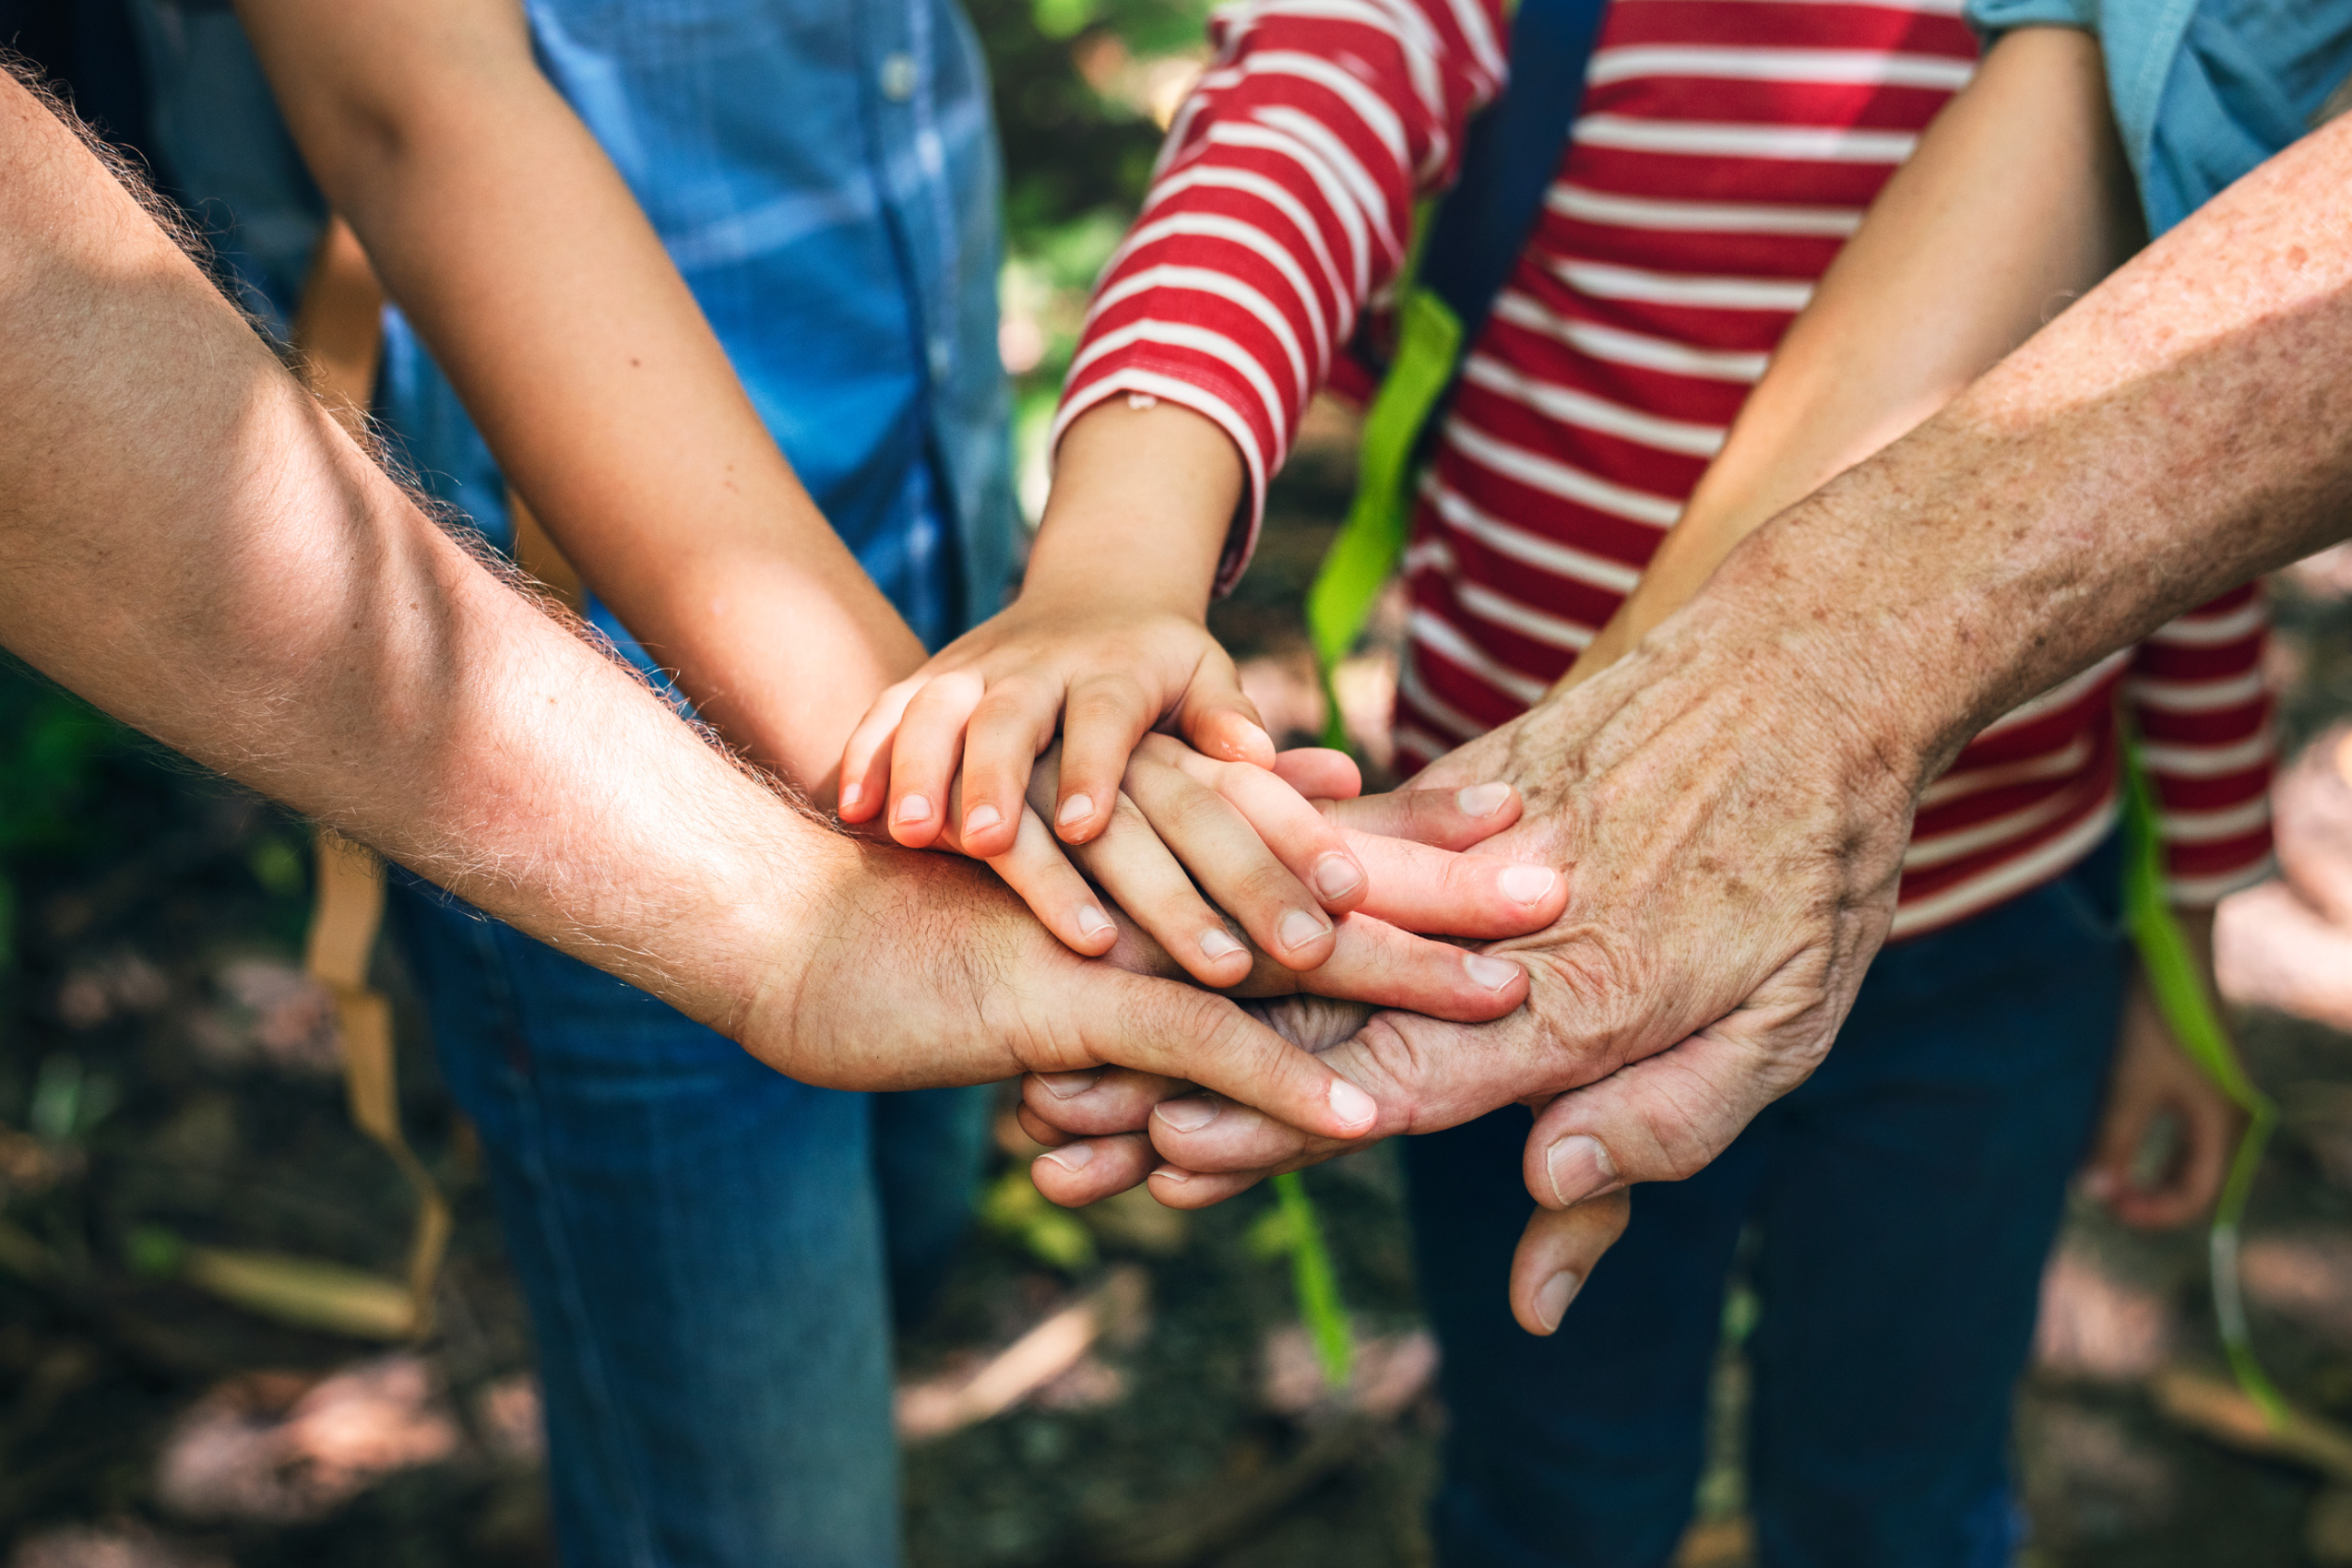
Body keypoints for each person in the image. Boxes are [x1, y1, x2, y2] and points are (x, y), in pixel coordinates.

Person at [3, 53, 1573, 1565]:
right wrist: (932, 788)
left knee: (894, 1230)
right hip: (576, 698)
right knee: (753, 1463)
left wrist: (1008, 718)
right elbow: (412, 115)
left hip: (925, 577)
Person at [866, 4, 2282, 1557]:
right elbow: (1306, 100)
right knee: (1560, 1470)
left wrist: (2183, 939)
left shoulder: (2145, 47)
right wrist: (1119, 548)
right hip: (1509, 913)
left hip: (1989, 933)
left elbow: (2194, 464)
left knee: (1900, 1469)